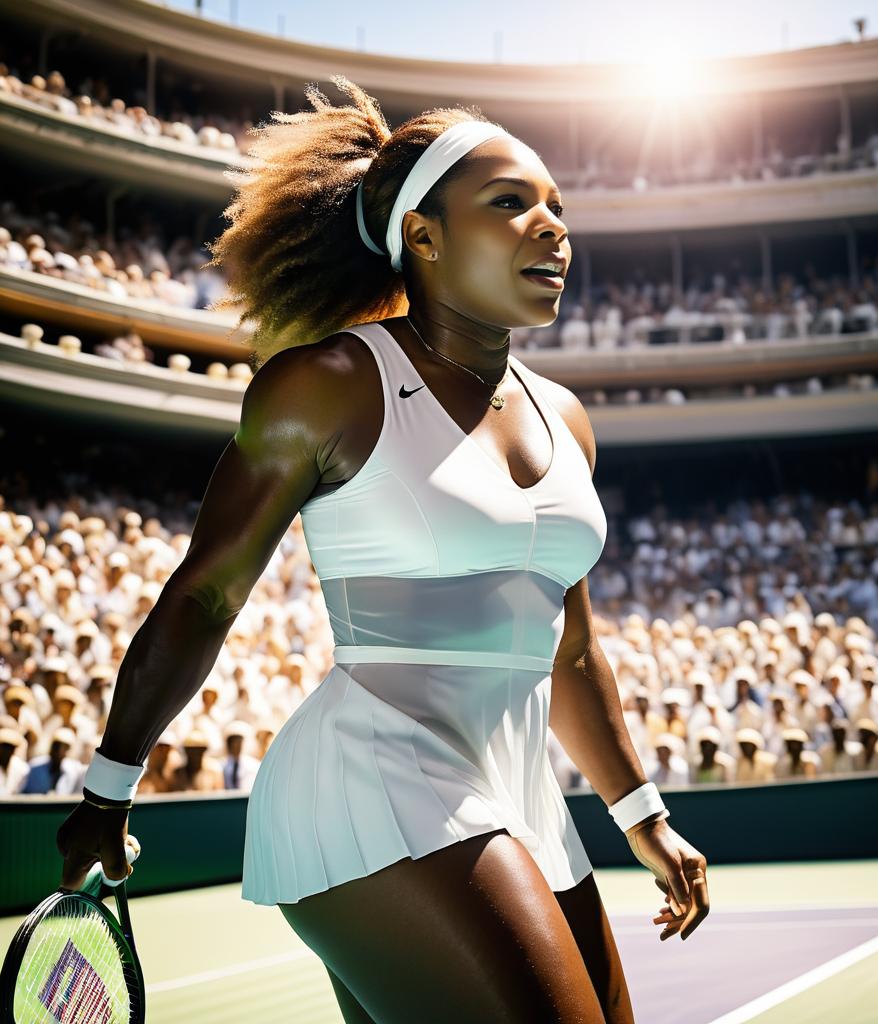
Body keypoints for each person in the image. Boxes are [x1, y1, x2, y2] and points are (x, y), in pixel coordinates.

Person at [56, 78, 709, 1024]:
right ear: (424, 237)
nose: (552, 226)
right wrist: (109, 789)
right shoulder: (327, 384)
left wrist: (642, 815)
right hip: (369, 779)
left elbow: (568, 650)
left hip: (519, 792)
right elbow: (204, 598)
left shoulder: (567, 418)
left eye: (557, 208)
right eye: (511, 203)